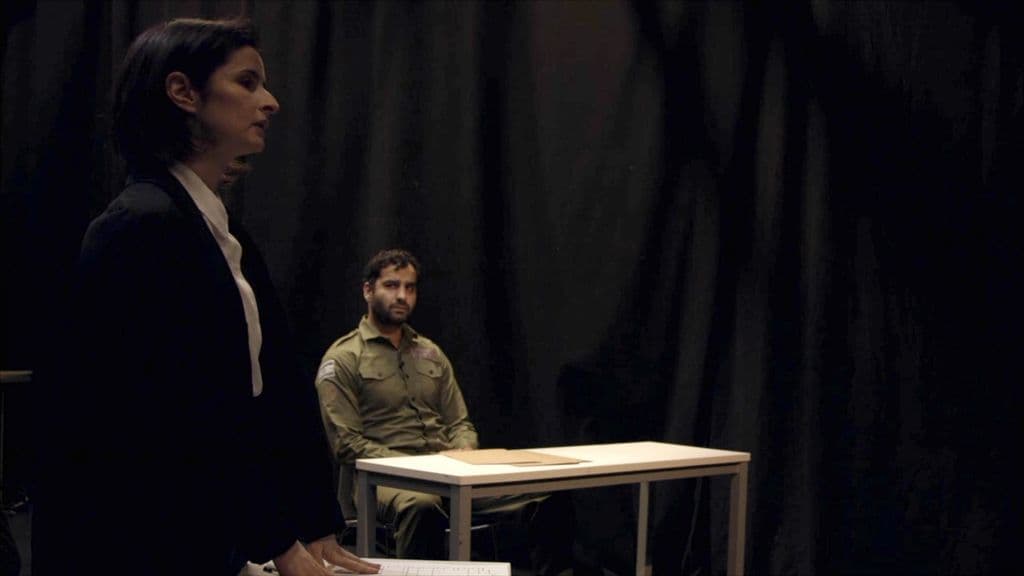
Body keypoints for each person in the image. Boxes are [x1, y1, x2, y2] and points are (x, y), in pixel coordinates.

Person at [29, 18, 380, 576]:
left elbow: (272, 387)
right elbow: (180, 413)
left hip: (204, 534)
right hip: (141, 545)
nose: (270, 101)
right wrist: (276, 539)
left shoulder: (218, 231)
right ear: (183, 92)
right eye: (247, 82)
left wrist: (313, 519)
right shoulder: (141, 226)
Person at [315, 249, 576, 572]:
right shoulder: (343, 358)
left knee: (549, 494)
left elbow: (460, 423)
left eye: (410, 287)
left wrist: (463, 449)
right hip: (382, 480)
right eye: (392, 285)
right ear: (368, 290)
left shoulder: (430, 353)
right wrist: (421, 468)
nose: (402, 296)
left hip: (449, 472)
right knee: (422, 505)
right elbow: (347, 445)